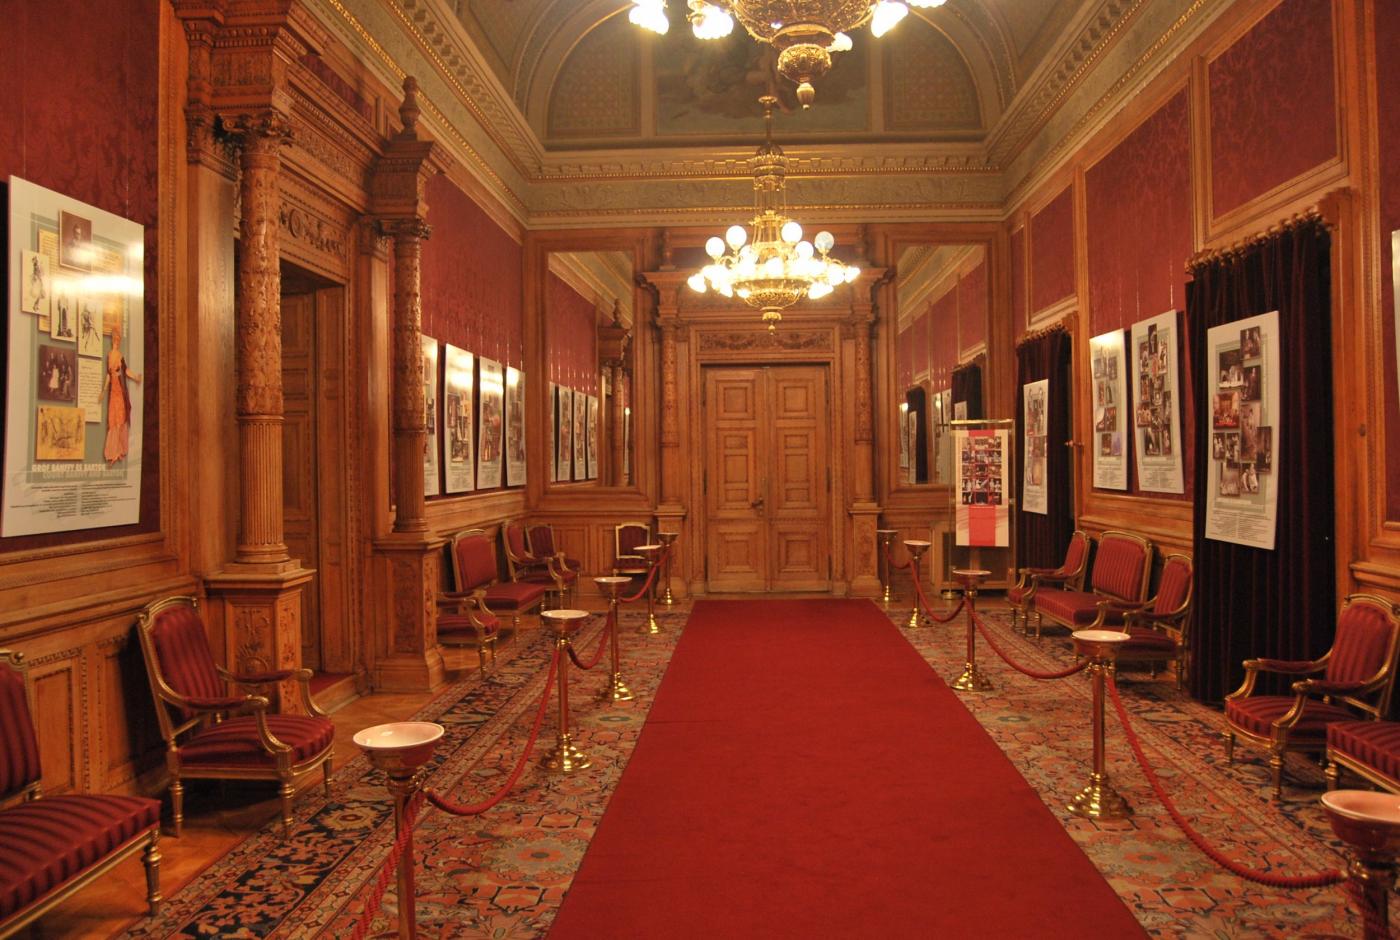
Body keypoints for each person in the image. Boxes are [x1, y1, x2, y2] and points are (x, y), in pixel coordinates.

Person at [101, 327, 142, 465]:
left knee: (120, 419)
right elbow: (108, 374)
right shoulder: (110, 355)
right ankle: (113, 453)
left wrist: (136, 377)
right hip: (113, 393)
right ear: (112, 340)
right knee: (113, 421)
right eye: (115, 339)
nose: (117, 342)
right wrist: (103, 391)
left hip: (120, 391)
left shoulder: (120, 356)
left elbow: (126, 370)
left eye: (118, 340)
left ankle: (118, 451)